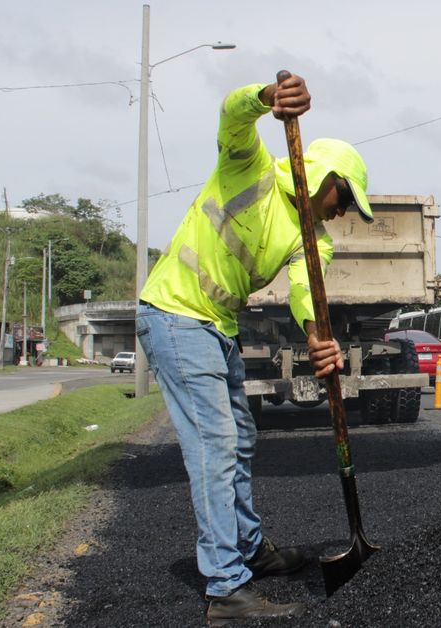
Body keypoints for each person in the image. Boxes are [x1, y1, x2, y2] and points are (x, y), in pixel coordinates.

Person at [135, 72, 375, 621]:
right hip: (174, 313)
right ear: (324, 176)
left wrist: (321, 343)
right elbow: (231, 113)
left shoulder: (315, 241)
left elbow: (303, 297)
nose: (345, 212)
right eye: (345, 198)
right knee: (215, 446)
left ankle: (248, 550)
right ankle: (226, 588)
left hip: (217, 325)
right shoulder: (252, 169)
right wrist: (267, 99)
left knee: (241, 439)